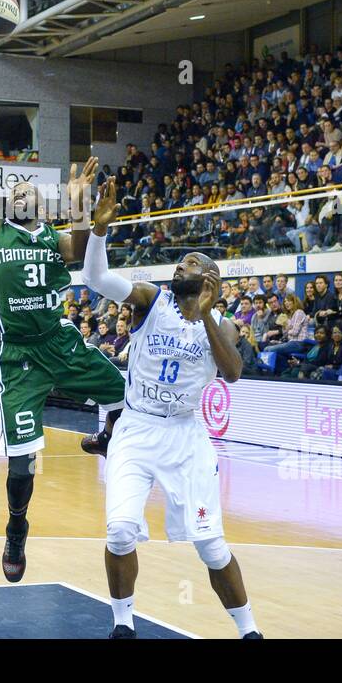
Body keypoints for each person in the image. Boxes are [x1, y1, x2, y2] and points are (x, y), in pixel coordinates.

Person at [0, 55, 123, 583]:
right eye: (15, 190)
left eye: (33, 188)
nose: (24, 191)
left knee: (123, 389)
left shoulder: (52, 238)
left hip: (61, 342)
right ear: (4, 204)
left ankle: (105, 435)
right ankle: (16, 527)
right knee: (23, 461)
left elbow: (85, 245)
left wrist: (97, 223)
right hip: (20, 358)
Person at [80, 179, 261, 638]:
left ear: (210, 281)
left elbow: (234, 372)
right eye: (181, 261)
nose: (181, 265)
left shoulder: (222, 324)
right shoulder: (149, 300)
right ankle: (123, 624)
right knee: (120, 531)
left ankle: (249, 631)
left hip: (185, 435)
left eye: (192, 263)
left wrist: (205, 318)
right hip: (138, 428)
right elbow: (96, 280)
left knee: (211, 546)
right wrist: (98, 232)